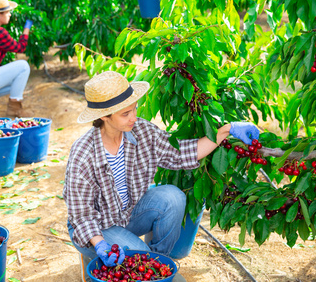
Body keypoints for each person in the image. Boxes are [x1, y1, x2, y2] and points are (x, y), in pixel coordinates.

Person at [63, 71, 259, 279]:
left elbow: (181, 153)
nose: (134, 117)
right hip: (96, 226)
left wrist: (226, 130)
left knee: (172, 198)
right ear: (104, 116)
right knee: (139, 257)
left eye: (134, 109)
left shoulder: (141, 131)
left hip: (126, 214)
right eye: (125, 114)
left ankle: (156, 266)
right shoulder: (83, 155)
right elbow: (81, 215)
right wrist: (100, 244)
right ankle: (101, 255)